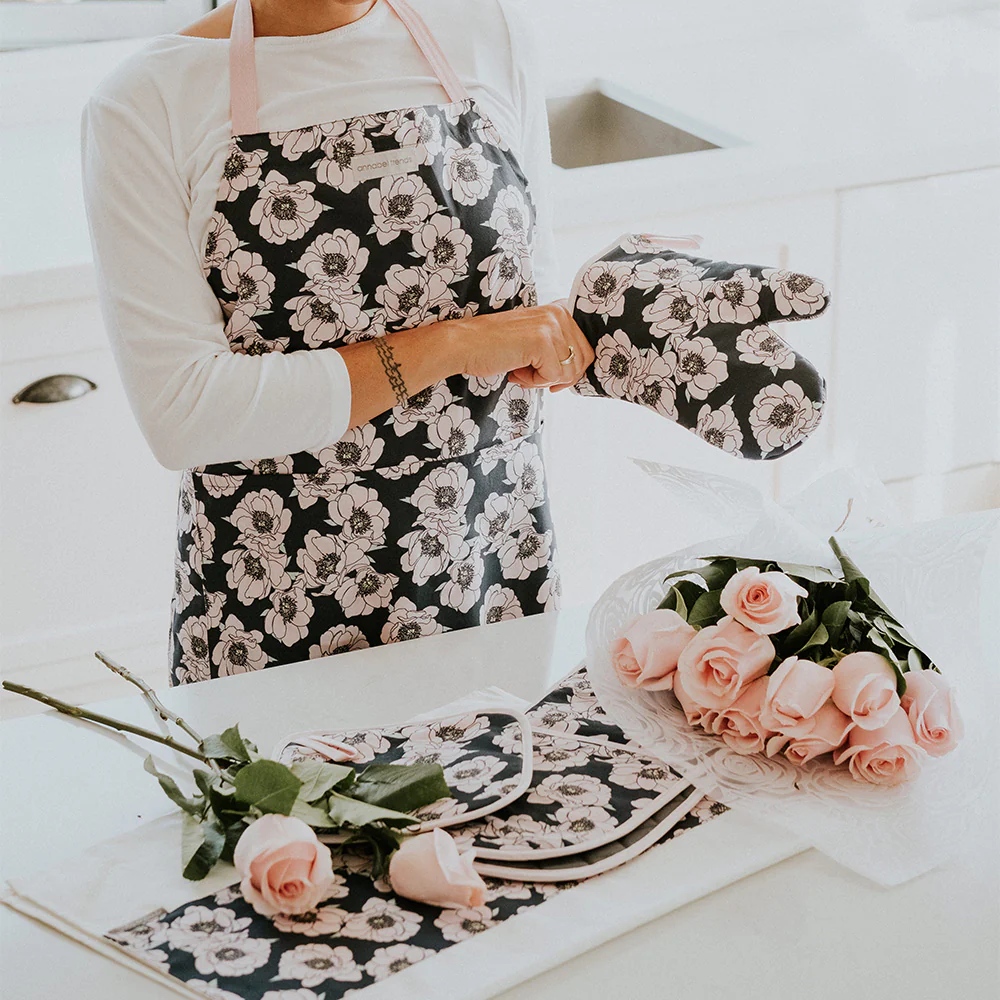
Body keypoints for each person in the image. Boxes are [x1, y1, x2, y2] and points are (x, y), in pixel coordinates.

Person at [81, 0, 593, 685]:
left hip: (492, 572)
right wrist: (453, 346)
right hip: (276, 608)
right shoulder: (145, 101)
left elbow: (535, 305)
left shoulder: (490, 32)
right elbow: (187, 414)